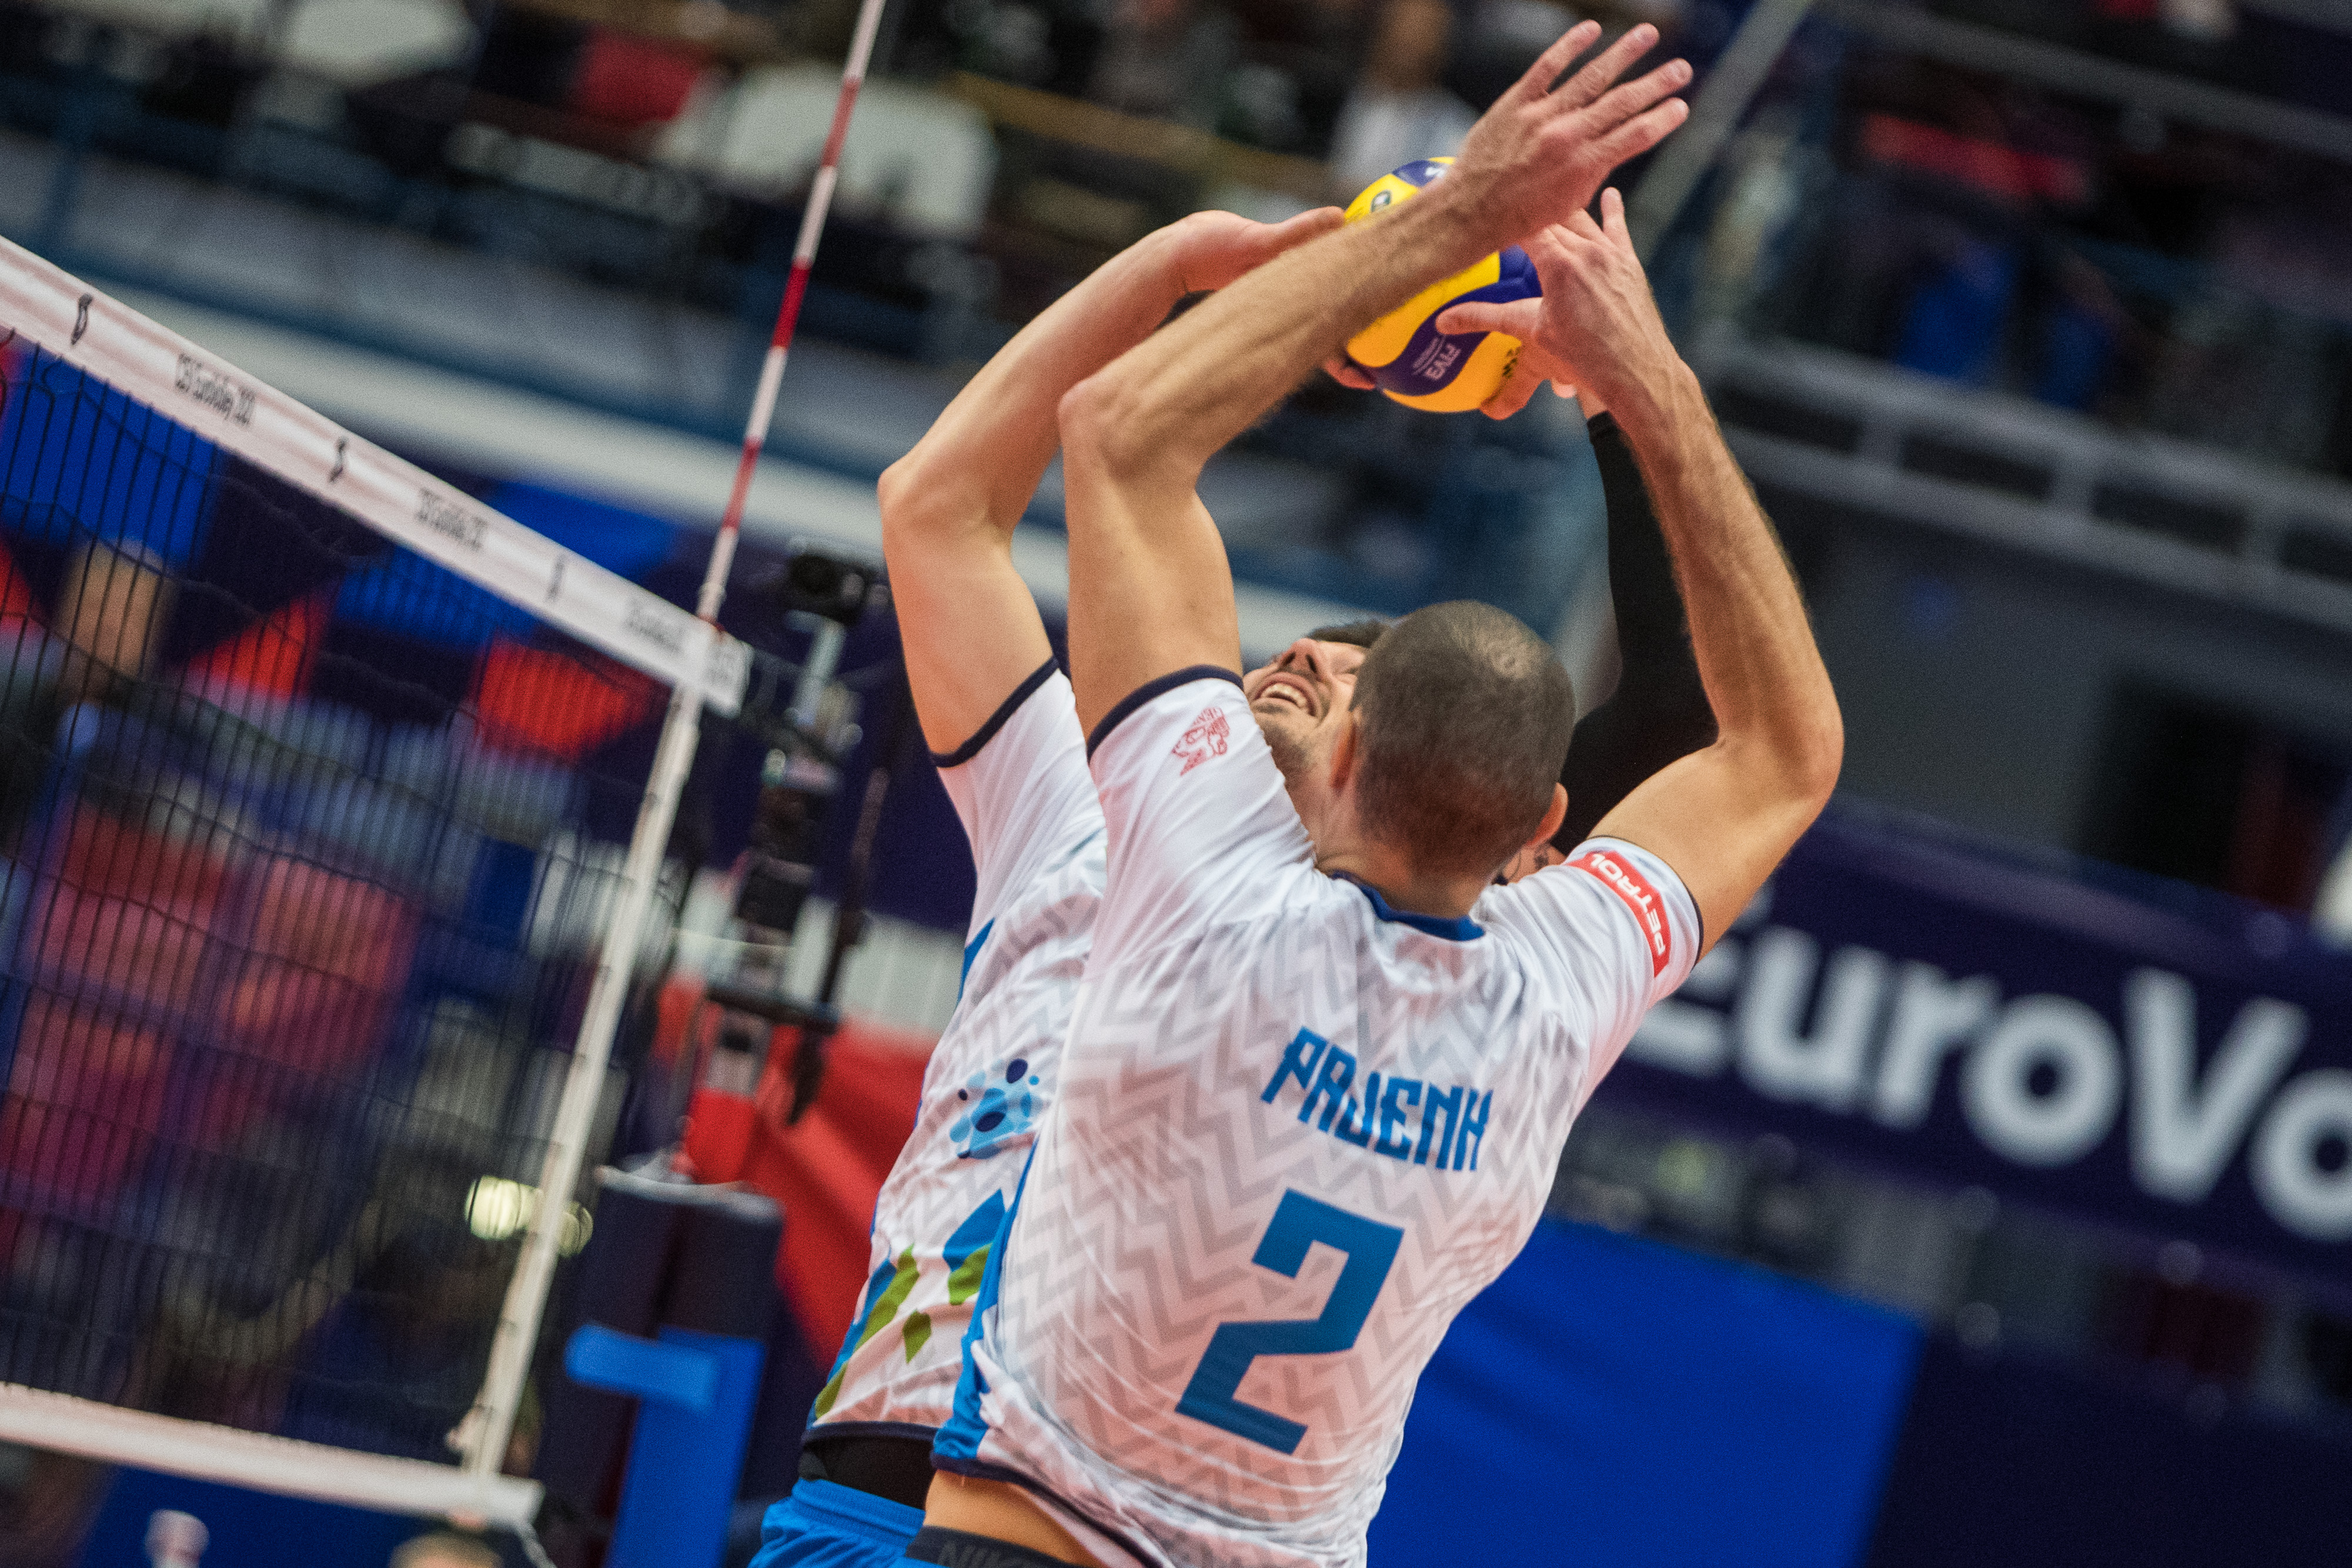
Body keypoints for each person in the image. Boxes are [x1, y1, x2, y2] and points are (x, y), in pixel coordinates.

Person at [754, 73, 1715, 1568]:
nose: (1292, 668)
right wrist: (1172, 266)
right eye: (1278, 655)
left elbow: (1673, 715)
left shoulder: (1447, 974)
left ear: (1381, 762)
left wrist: (1610, 388)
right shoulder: (1079, 816)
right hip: (884, 1486)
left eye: (1338, 678)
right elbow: (937, 508)